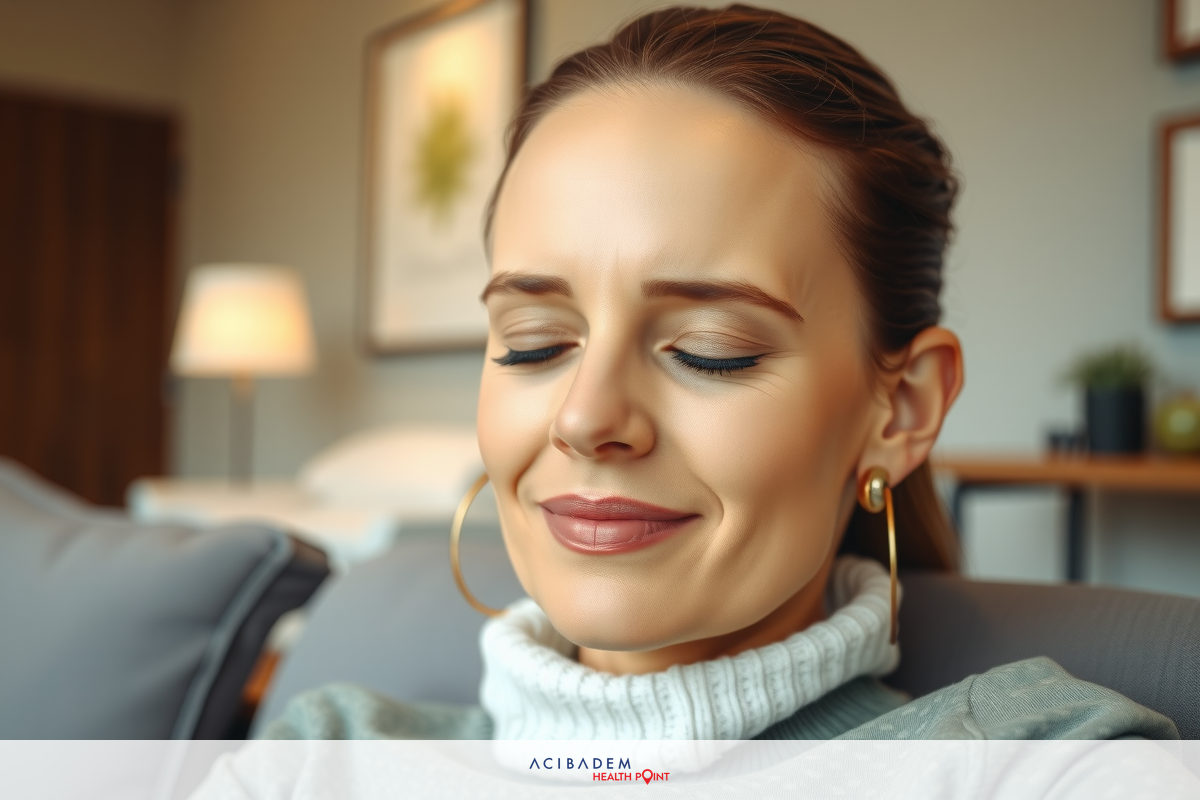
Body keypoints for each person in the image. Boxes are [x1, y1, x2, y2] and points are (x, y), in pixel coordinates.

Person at [233, 1, 1178, 749]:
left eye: (709, 350)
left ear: (900, 408)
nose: (585, 418)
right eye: (533, 342)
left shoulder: (1039, 765)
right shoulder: (325, 756)